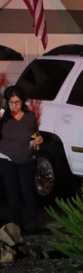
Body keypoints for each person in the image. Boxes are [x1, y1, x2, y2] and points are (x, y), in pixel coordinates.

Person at [0, 85, 44, 234]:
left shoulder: (30, 116)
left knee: (27, 190)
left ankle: (32, 222)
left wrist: (38, 139)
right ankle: (15, 223)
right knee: (12, 190)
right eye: (11, 102)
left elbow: (34, 134)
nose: (14, 105)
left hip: (27, 157)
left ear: (23, 101)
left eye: (17, 102)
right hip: (6, 157)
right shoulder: (3, 117)